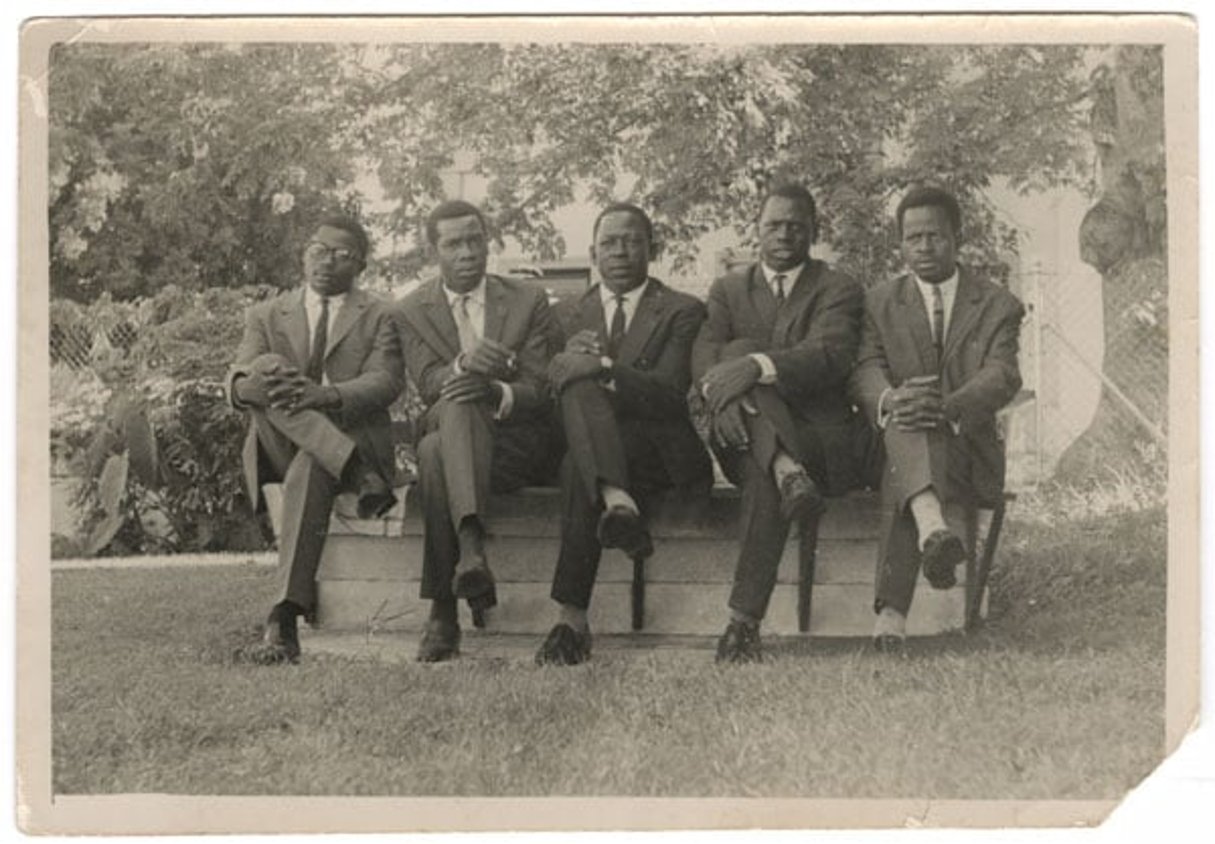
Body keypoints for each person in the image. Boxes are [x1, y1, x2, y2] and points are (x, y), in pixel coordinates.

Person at [692, 184, 865, 663]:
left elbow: (828, 355)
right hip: (739, 430)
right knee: (733, 353)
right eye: (774, 224)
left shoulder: (838, 288)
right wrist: (725, 397)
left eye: (796, 225)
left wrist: (755, 367)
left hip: (817, 442)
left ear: (814, 230)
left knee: (764, 475)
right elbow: (706, 357)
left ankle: (742, 625)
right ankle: (784, 469)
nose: (785, 234)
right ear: (757, 229)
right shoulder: (728, 290)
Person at [535, 202, 713, 665]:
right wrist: (567, 365)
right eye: (609, 243)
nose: (620, 251)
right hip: (592, 448)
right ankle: (613, 500)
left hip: (658, 450)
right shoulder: (565, 315)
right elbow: (544, 388)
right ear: (593, 252)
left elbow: (672, 393)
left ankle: (570, 620)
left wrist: (604, 366)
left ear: (652, 249)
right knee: (577, 442)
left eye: (632, 241)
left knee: (580, 456)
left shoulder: (683, 310)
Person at [851, 186, 1025, 651]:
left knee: (906, 461)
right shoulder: (878, 302)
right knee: (906, 428)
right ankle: (932, 531)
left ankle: (891, 617)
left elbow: (1002, 374)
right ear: (900, 244)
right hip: (899, 436)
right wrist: (891, 398)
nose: (924, 247)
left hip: (965, 447)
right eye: (913, 238)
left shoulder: (997, 304)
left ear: (958, 237)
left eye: (936, 236)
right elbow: (864, 368)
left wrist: (947, 408)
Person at [228, 213, 404, 664]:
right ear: (304, 254)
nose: (326, 263)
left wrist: (324, 395)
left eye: (342, 255)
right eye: (317, 251)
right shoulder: (266, 313)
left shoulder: (381, 313)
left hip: (349, 436)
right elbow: (239, 376)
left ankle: (284, 613)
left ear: (360, 265)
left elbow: (386, 381)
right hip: (281, 447)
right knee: (265, 365)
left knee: (312, 463)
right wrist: (250, 388)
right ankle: (354, 469)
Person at [396, 199, 558, 663]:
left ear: (488, 243)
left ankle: (444, 608)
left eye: (475, 240)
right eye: (453, 244)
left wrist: (497, 390)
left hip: (513, 445)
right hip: (450, 427)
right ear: (434, 251)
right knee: (444, 423)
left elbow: (539, 386)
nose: (467, 252)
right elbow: (428, 382)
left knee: (434, 450)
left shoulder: (527, 300)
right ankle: (468, 553)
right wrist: (465, 366)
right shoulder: (410, 310)